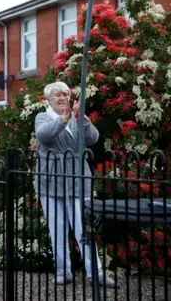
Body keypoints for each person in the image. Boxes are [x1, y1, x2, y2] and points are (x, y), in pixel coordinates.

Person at [35, 81, 115, 287]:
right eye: (57, 95)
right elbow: (44, 136)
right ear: (48, 100)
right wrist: (63, 119)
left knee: (84, 230)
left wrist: (82, 120)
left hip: (78, 180)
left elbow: (93, 139)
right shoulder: (43, 117)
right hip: (51, 182)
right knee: (58, 229)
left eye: (65, 94)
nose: (62, 98)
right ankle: (63, 271)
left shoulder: (77, 117)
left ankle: (95, 273)